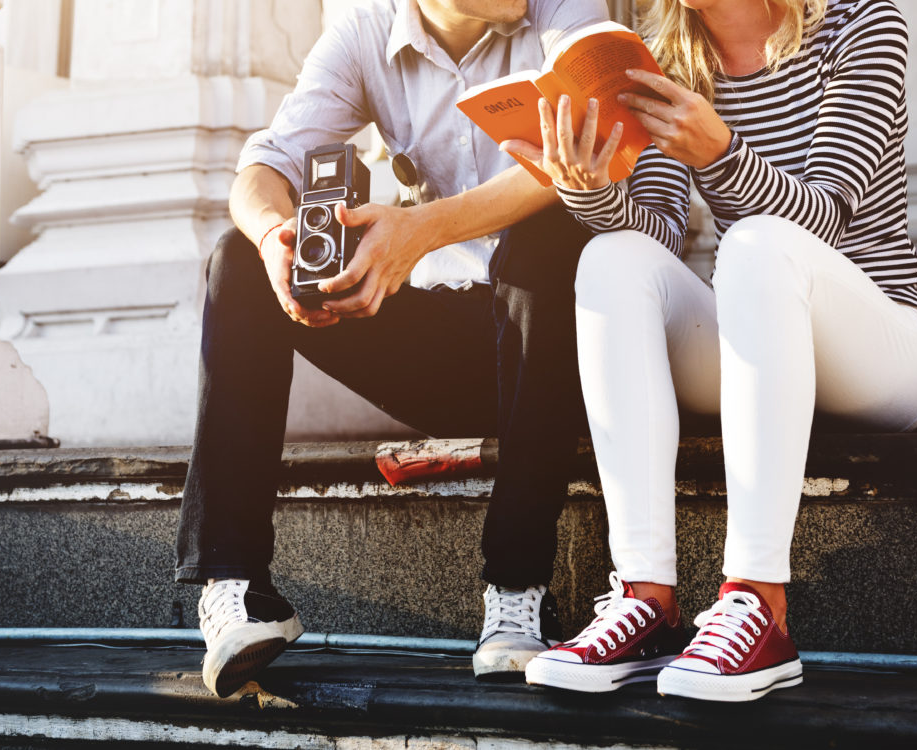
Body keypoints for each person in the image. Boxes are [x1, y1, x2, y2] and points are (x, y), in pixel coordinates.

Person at [505, 0, 917, 701]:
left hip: (883, 351)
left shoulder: (861, 23)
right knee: (613, 261)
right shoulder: (669, 57)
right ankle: (647, 599)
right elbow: (651, 232)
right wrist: (586, 190)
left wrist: (721, 153)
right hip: (762, 341)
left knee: (756, 242)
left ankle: (758, 604)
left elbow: (825, 214)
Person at [174, 0, 611, 698]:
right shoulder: (365, 33)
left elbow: (588, 144)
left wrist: (419, 230)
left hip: (573, 347)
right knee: (238, 259)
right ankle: (238, 588)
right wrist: (272, 239)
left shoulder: (563, 9)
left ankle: (517, 590)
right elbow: (263, 166)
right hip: (456, 343)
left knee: (544, 242)